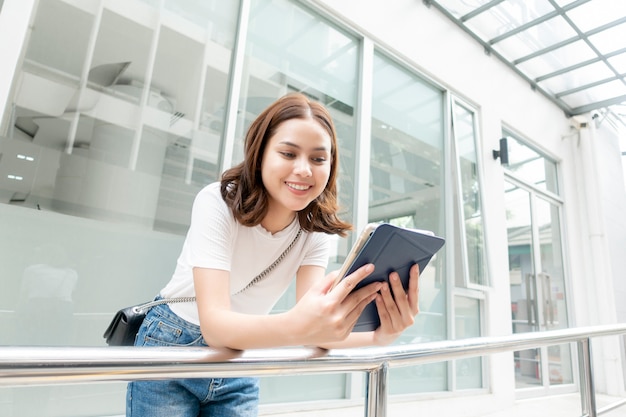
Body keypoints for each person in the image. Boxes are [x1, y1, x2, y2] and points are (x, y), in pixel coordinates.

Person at [126, 93, 421, 416]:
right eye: (288, 153)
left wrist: (381, 336)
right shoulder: (216, 202)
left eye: (319, 159)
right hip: (174, 340)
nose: (304, 170)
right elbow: (215, 326)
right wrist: (300, 325)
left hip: (243, 353)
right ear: (260, 153)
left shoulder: (315, 231)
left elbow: (317, 333)